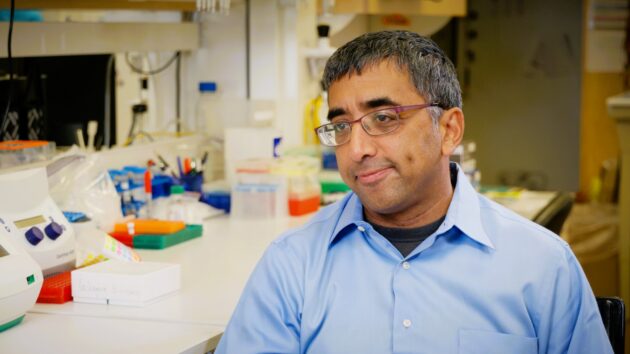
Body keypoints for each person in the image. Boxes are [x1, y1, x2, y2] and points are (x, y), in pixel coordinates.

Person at [215, 30, 612, 354]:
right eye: (341, 126)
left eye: (384, 118)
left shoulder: (541, 265)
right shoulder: (292, 264)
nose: (357, 150)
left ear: (449, 130)